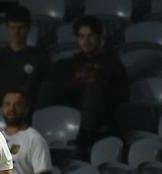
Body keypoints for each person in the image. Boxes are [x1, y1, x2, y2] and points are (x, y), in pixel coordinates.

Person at [45, 15, 128, 148]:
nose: (86, 41)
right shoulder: (66, 65)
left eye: (91, 36)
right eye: (81, 36)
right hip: (68, 121)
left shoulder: (113, 66)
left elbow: (118, 100)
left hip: (99, 125)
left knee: (93, 91)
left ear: (100, 37)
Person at [0, 5, 48, 106]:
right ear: (7, 28)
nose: (16, 32)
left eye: (21, 28)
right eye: (12, 27)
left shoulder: (40, 58)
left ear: (28, 28)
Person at [0, 91, 52, 174]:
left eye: (17, 105)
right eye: (7, 104)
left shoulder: (34, 139)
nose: (11, 109)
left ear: (26, 109)